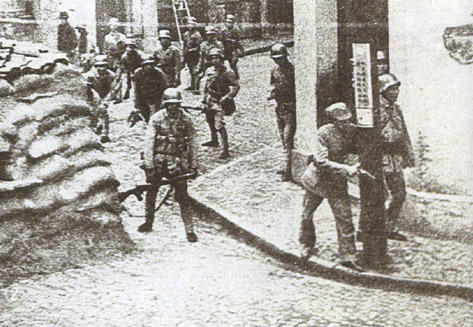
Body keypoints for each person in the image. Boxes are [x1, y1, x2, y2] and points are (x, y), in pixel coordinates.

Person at [299, 102, 364, 272]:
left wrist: (356, 163)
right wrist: (346, 168)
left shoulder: (351, 130)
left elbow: (359, 147)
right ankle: (306, 244)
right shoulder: (323, 133)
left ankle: (348, 257)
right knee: (308, 213)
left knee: (345, 217)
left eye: (347, 120)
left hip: (336, 182)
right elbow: (321, 161)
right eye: (341, 121)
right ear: (333, 121)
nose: (345, 124)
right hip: (318, 180)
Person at [139, 88, 199, 243]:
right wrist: (149, 164)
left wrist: (193, 164)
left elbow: (193, 141)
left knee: (183, 196)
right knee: (152, 191)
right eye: (170, 104)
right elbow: (149, 141)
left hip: (177, 161)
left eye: (176, 104)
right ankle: (148, 221)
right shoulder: (156, 118)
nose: (173, 107)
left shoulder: (186, 119)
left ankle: (190, 230)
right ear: (165, 104)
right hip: (159, 159)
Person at [378, 73, 415, 241]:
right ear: (382, 90)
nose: (395, 92)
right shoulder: (376, 110)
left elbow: (404, 133)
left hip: (395, 157)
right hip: (380, 157)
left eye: (396, 88)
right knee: (379, 196)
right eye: (390, 89)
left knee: (399, 193)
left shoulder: (396, 109)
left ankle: (388, 227)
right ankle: (372, 229)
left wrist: (409, 153)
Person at [201, 48, 239, 159]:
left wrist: (227, 97)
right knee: (209, 120)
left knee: (219, 124)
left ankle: (225, 149)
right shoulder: (209, 70)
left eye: (217, 58)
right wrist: (203, 99)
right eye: (212, 58)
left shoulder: (228, 72)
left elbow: (236, 86)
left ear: (221, 58)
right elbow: (205, 86)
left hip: (221, 100)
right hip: (210, 99)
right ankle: (214, 140)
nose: (215, 60)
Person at [268, 43, 296, 182]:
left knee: (288, 138)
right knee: (283, 139)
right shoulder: (274, 70)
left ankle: (289, 169)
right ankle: (286, 165)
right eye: (275, 59)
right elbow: (272, 83)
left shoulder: (293, 71)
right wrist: (272, 91)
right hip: (279, 107)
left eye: (280, 58)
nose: (278, 61)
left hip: (290, 108)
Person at [84, 55, 118, 143]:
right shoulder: (89, 76)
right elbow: (87, 90)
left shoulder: (111, 75)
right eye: (99, 66)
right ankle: (96, 127)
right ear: (95, 66)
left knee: (103, 111)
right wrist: (94, 100)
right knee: (94, 112)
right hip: (92, 95)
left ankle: (105, 133)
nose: (102, 68)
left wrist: (106, 101)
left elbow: (113, 89)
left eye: (104, 66)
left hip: (105, 94)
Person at [130, 55, 168, 124]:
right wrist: (136, 102)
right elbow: (136, 89)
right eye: (146, 65)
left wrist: (163, 100)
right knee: (143, 112)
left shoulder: (159, 73)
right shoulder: (138, 73)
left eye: (151, 64)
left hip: (156, 95)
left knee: (155, 113)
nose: (149, 67)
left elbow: (164, 88)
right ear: (142, 66)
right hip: (143, 95)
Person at [182, 16, 203, 93]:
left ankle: (196, 87)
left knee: (195, 70)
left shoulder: (197, 35)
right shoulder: (186, 34)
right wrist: (184, 52)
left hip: (194, 54)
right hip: (188, 54)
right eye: (188, 24)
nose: (189, 26)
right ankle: (192, 85)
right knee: (190, 69)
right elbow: (184, 44)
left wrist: (191, 50)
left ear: (194, 25)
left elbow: (199, 47)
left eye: (191, 24)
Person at [219, 14, 244, 79]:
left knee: (233, 63)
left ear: (233, 23)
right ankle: (221, 76)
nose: (228, 24)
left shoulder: (236, 30)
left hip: (232, 49)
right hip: (224, 49)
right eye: (227, 22)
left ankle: (236, 76)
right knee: (220, 62)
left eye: (230, 22)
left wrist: (240, 49)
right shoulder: (223, 30)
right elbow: (220, 39)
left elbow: (238, 40)